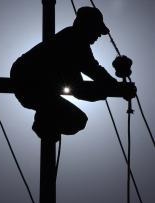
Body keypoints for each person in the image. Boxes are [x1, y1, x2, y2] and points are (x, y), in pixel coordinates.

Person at [10, 6, 136, 141]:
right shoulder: (70, 41)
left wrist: (117, 88)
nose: (99, 35)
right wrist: (116, 89)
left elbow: (94, 70)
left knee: (76, 120)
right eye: (97, 30)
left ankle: (46, 123)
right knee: (76, 119)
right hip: (28, 79)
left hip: (34, 83)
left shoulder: (78, 43)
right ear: (86, 26)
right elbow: (79, 89)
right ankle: (44, 123)